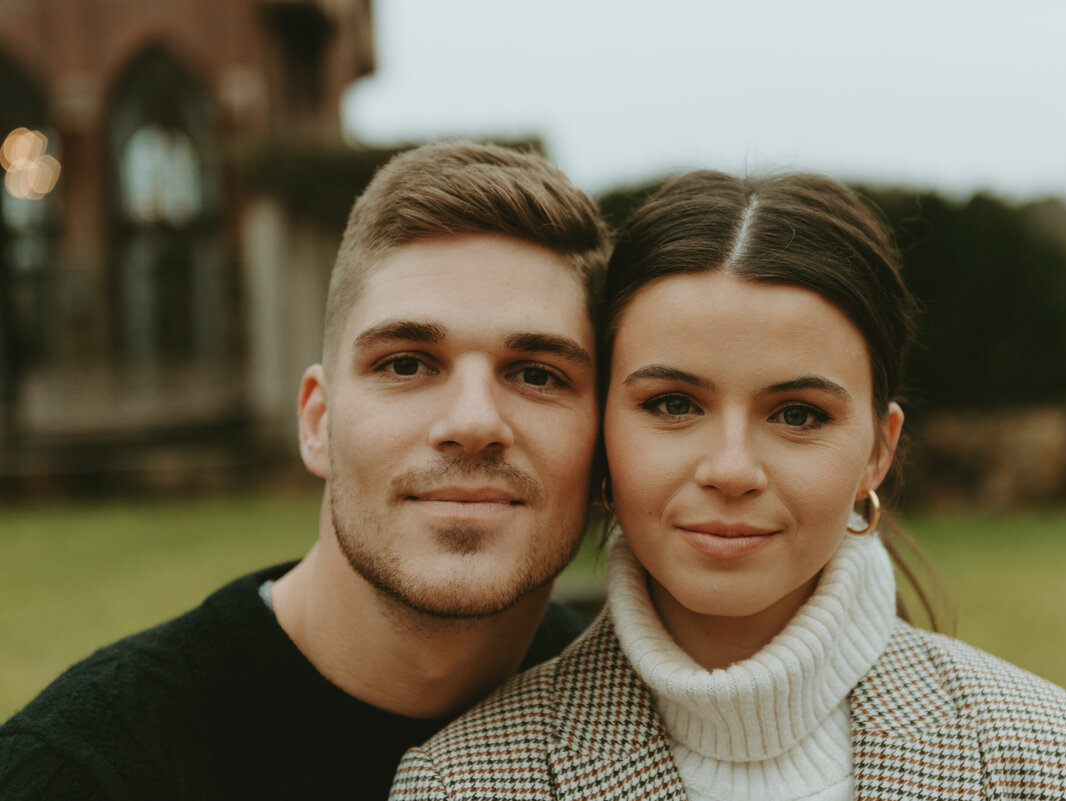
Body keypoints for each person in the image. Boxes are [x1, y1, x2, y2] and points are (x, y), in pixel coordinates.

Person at [390, 170, 1066, 800]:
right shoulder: (463, 782)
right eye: (674, 404)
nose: (730, 469)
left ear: (878, 453)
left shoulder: (1056, 762)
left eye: (797, 413)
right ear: (602, 436)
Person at [0, 141, 610, 800]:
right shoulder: (76, 773)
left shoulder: (636, 732)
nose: (473, 421)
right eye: (406, 363)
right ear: (317, 423)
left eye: (538, 374)